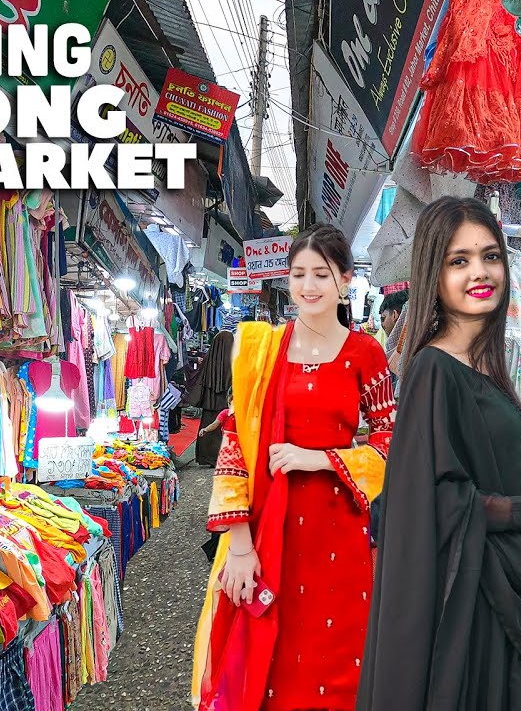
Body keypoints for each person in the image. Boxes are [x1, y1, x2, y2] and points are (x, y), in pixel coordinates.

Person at [357, 197, 521, 711]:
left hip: (492, 592)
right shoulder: (433, 370)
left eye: (490, 256)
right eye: (459, 260)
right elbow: (425, 501)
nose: (479, 272)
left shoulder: (486, 366)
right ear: (434, 271)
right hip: (464, 603)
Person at [192, 224, 396, 711]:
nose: (308, 286)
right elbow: (237, 443)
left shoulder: (365, 354)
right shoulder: (263, 351)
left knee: (337, 657)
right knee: (269, 657)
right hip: (269, 529)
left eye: (321, 275)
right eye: (298, 274)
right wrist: (238, 546)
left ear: (345, 280)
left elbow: (393, 443)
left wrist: (322, 460)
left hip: (339, 533)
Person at [188, 330, 234, 466]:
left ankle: (206, 457)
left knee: (208, 425)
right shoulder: (233, 359)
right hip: (225, 400)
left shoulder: (210, 357)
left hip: (209, 399)